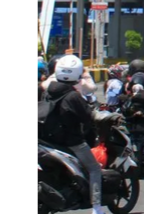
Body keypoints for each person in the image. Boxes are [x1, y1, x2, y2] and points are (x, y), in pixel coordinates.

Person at [40, 55, 107, 214]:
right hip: (72, 142)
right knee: (95, 169)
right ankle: (97, 208)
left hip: (48, 140)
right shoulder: (73, 96)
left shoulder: (47, 91)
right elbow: (89, 116)